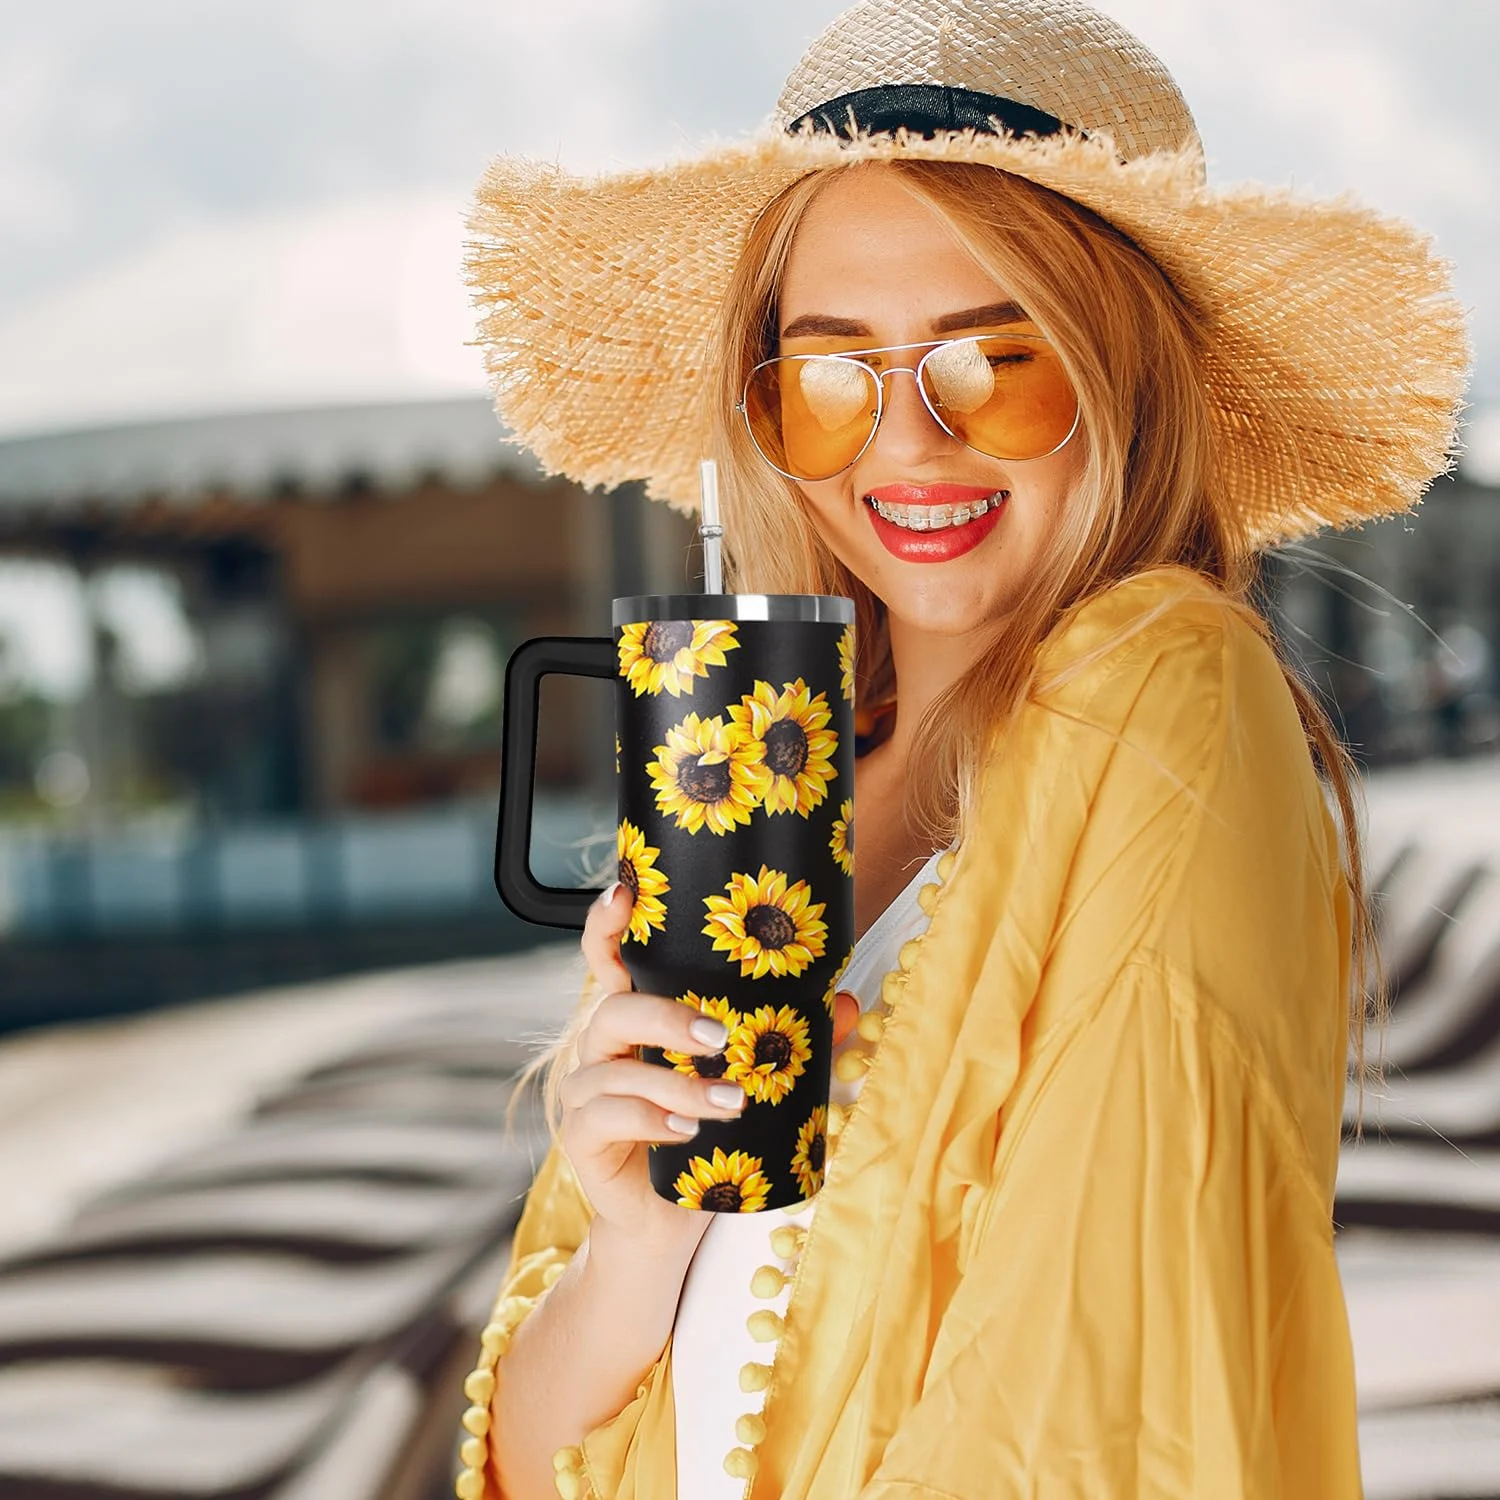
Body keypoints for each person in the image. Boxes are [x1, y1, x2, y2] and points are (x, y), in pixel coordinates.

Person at [452, 2, 1470, 1497]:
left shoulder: (1168, 697)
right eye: (829, 376)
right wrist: (633, 1246)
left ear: (1121, 376)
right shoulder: (771, 782)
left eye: (996, 366)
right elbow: (534, 1466)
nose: (909, 446)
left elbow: (1089, 1417)